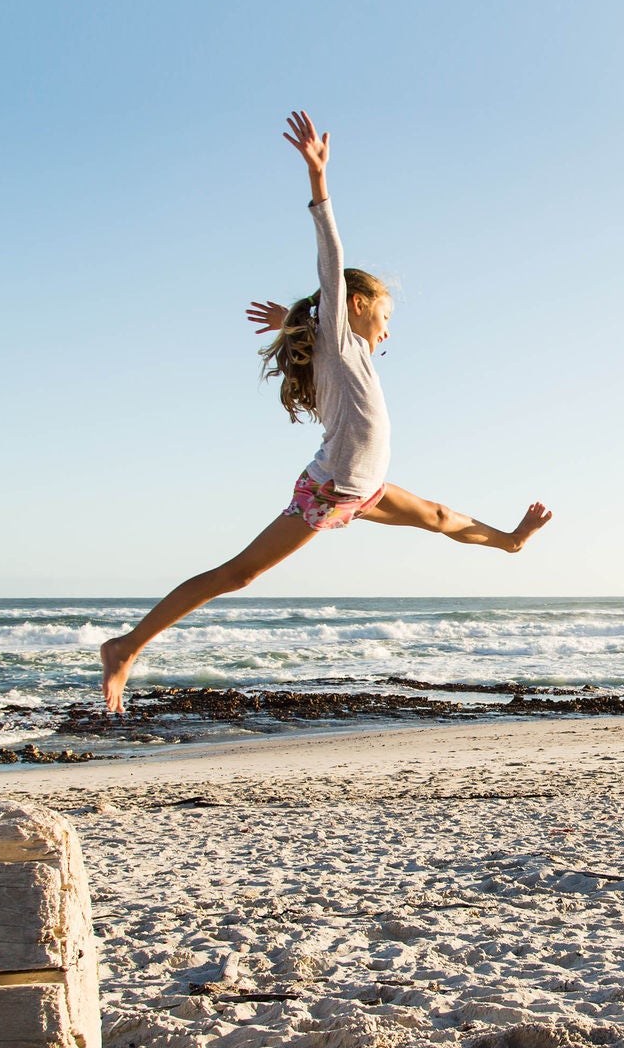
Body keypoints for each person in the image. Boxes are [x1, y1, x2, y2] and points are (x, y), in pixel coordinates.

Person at [97, 111, 552, 711]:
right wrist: (319, 182)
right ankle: (125, 649)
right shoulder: (342, 338)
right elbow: (331, 259)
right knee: (237, 575)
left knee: (441, 515)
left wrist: (293, 322)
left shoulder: (349, 350)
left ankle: (511, 542)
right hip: (330, 489)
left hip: (362, 490)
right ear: (356, 305)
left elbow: (317, 322)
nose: (388, 330)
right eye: (384, 316)